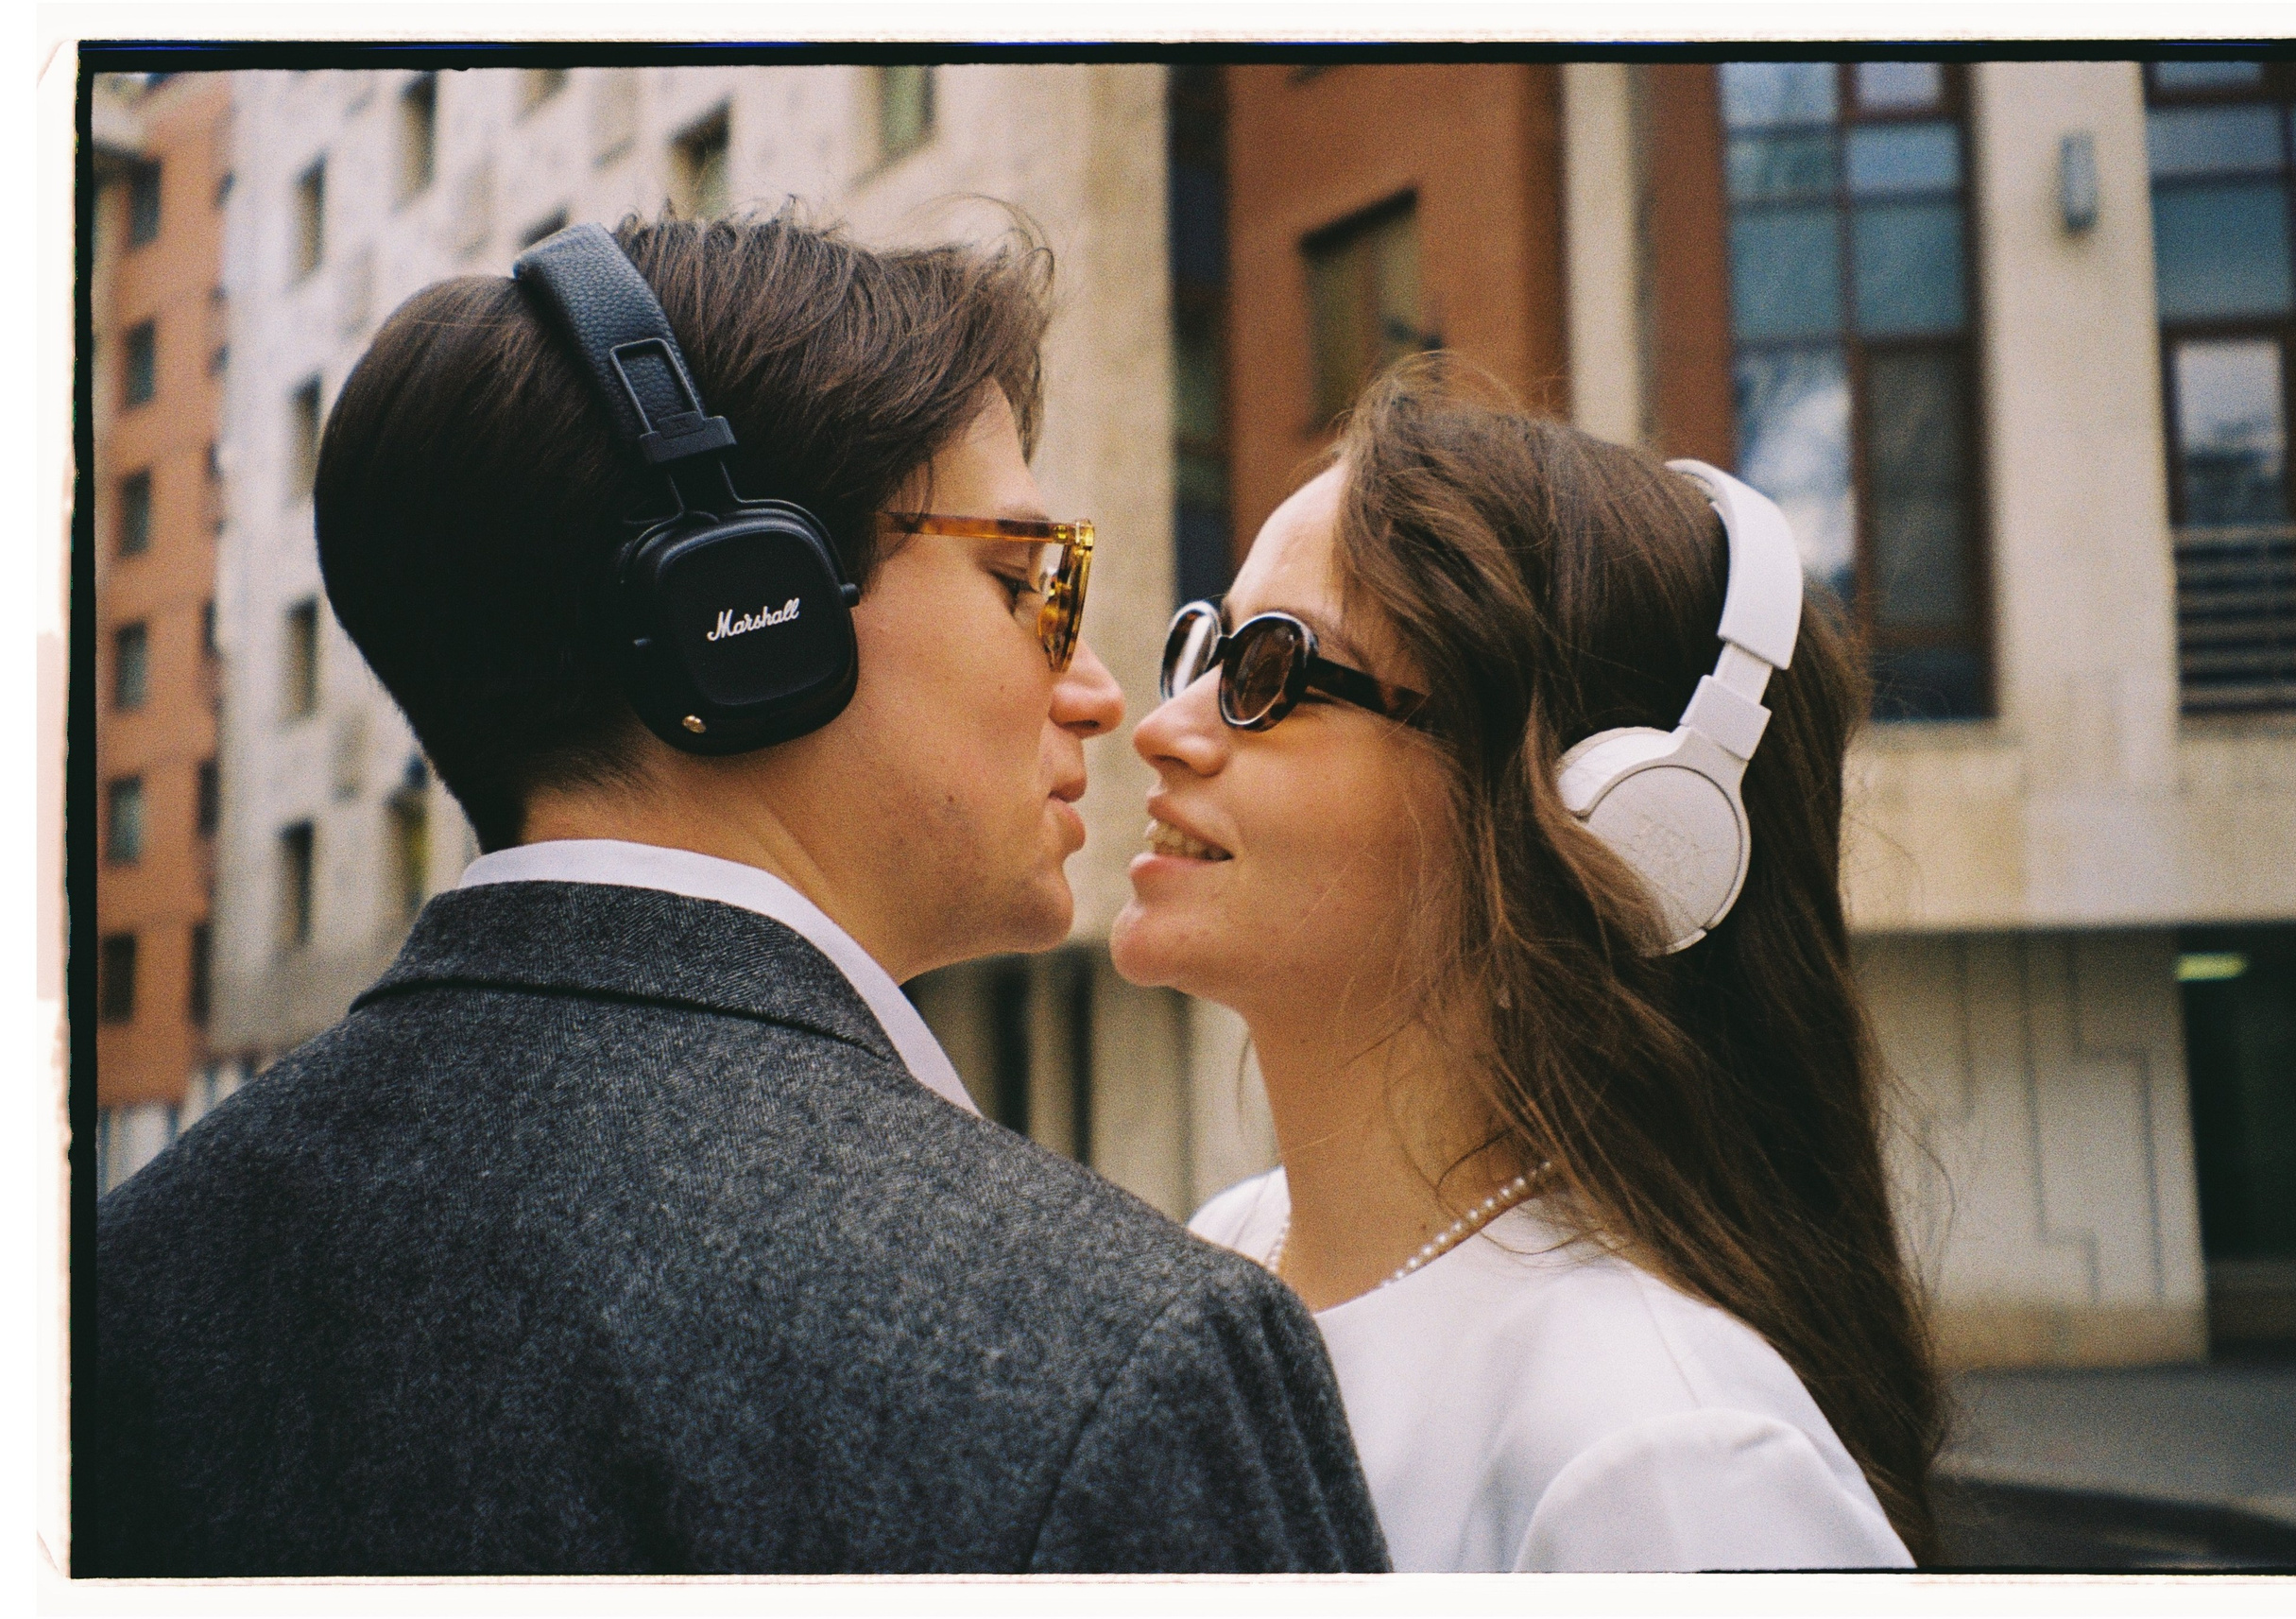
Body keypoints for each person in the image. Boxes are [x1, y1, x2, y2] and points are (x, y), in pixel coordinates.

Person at [83, 215, 1388, 1576]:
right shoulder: (1126, 1359)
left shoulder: (116, 1289)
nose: (1103, 693)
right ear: (750, 615)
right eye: (1026, 581)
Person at [1114, 361, 1943, 1572]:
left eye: (1273, 669)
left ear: (1595, 828)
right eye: (1204, 650)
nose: (1163, 728)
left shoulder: (1666, 1459)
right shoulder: (1235, 1246)